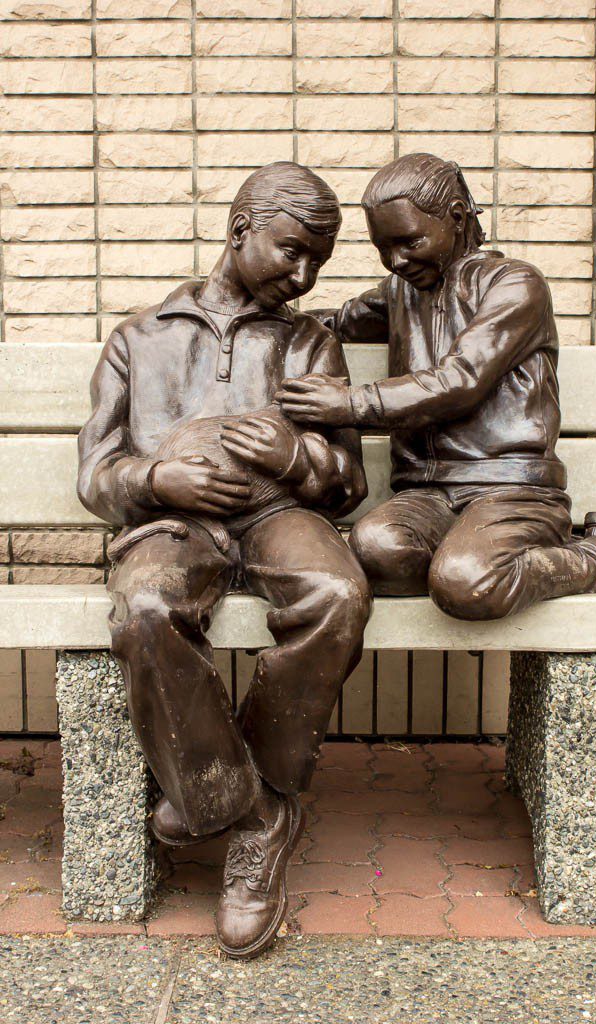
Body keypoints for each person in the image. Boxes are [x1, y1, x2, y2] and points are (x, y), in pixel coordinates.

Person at [77, 162, 372, 959]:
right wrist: (153, 477)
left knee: (337, 590)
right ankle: (241, 810)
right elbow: (95, 478)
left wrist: (299, 458)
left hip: (280, 515)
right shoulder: (140, 337)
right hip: (174, 523)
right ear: (241, 230)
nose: (304, 274)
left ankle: (253, 795)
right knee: (145, 608)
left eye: (319, 260)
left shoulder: (311, 341)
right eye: (291, 251)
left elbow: (347, 485)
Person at [277, 152, 596, 620]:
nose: (396, 261)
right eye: (383, 248)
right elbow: (336, 322)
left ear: (457, 219)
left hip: (511, 489)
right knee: (375, 550)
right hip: (425, 492)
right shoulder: (400, 292)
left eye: (409, 241)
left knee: (466, 583)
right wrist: (258, 317)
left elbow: (461, 380)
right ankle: (472, 561)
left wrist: (351, 404)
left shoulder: (514, 285)